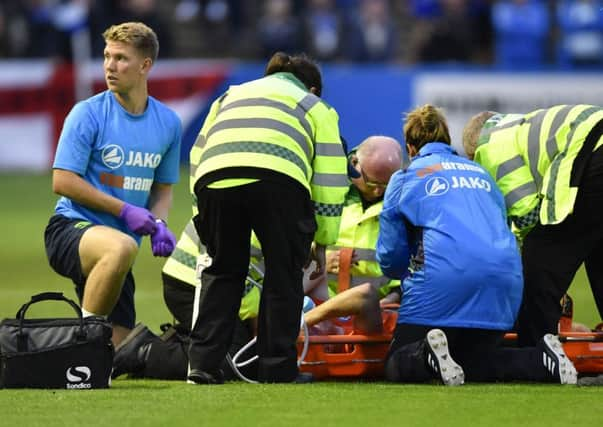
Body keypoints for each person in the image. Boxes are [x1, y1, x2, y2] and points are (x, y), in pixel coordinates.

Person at [377, 104, 577, 386]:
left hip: (442, 286)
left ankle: (425, 353)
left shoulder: (408, 176)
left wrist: (403, 276)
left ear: (410, 147)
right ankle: (540, 361)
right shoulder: (483, 175)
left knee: (397, 363)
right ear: (448, 140)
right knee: (473, 361)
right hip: (503, 285)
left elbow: (390, 255)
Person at [188, 51, 348, 384]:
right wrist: (323, 240)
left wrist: (202, 218)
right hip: (279, 178)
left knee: (223, 271)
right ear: (313, 88)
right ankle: (277, 369)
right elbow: (330, 179)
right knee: (283, 273)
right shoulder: (314, 105)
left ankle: (202, 364)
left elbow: (196, 155)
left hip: (215, 178)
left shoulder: (230, 95)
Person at [44, 22, 181, 346]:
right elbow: (62, 180)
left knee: (120, 351)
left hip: (119, 248)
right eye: (107, 56)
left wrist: (159, 223)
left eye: (121, 58)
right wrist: (125, 210)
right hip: (72, 228)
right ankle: (84, 345)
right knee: (121, 248)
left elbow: (162, 189)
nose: (109, 65)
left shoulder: (168, 123)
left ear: (145, 65)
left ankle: (91, 347)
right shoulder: (87, 113)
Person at [462, 104, 603, 346]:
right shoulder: (519, 126)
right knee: (598, 254)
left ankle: (536, 353)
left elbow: (528, 214)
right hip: (594, 141)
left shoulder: (491, 147)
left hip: (591, 156)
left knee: (539, 260)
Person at [303, 135, 404, 334]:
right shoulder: (327, 192)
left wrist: (385, 302)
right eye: (372, 182)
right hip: (320, 310)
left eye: (385, 186)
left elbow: (408, 274)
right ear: (354, 163)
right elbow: (297, 247)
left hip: (376, 316)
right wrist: (319, 262)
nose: (377, 191)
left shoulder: (402, 206)